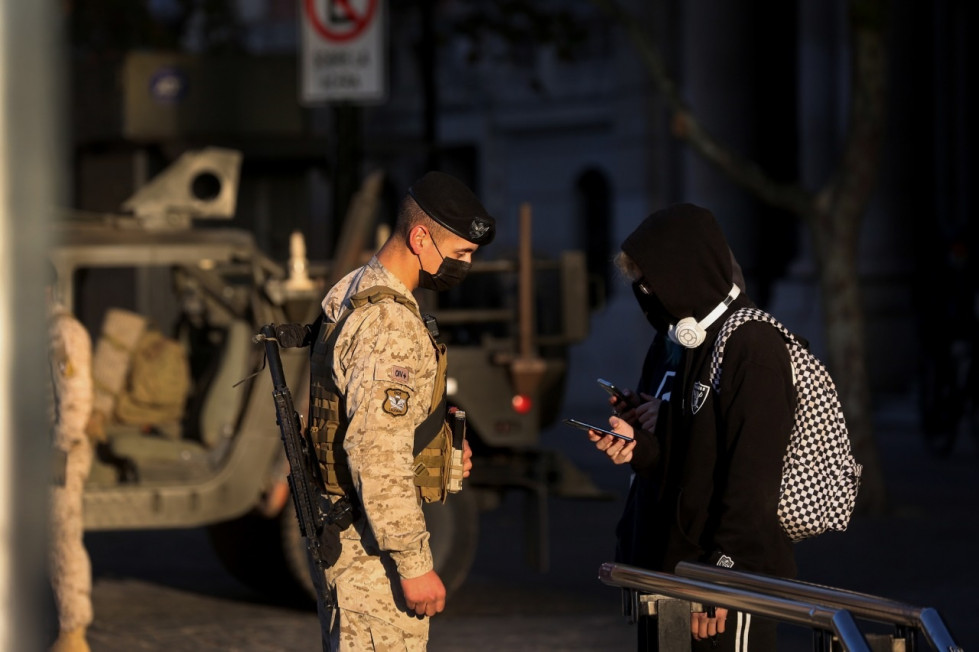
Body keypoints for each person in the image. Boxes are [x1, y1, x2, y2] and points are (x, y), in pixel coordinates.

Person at [589, 203, 796, 651]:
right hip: (674, 574)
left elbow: (752, 481)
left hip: (720, 587)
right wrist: (638, 446)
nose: (646, 293)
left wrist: (723, 575)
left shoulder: (752, 346)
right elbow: (689, 457)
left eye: (651, 281)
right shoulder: (681, 339)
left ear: (685, 271)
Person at [305, 171, 492, 651]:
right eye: (461, 254)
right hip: (371, 556)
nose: (464, 266)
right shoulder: (390, 323)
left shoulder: (354, 288)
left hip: (346, 532)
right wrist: (415, 565)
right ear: (420, 238)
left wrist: (439, 452)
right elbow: (376, 452)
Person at [47, 269, 100, 652]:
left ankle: (72, 633)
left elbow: (76, 397)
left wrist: (59, 450)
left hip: (59, 450)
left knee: (61, 535)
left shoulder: (63, 331)